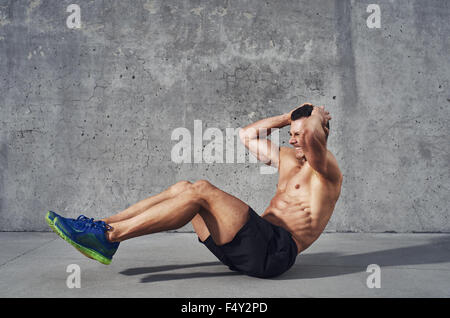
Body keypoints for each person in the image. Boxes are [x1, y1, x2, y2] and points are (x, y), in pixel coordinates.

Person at [46, 103, 343, 278]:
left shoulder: (327, 171)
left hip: (275, 253)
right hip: (247, 246)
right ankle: (103, 226)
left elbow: (313, 135)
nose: (292, 140)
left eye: (298, 134)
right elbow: (247, 134)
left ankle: (110, 238)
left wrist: (315, 114)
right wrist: (288, 116)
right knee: (185, 188)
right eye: (290, 134)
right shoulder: (286, 157)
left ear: (320, 131)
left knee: (201, 190)